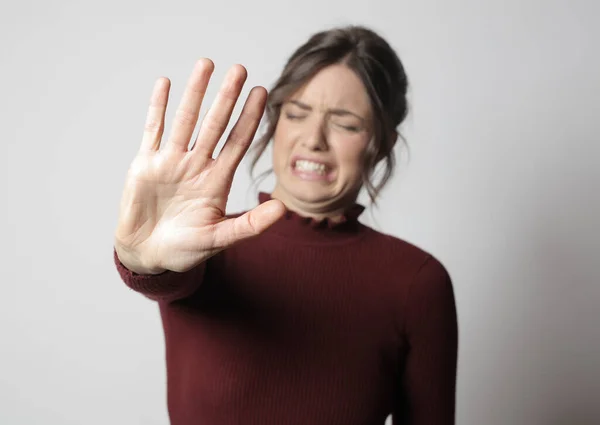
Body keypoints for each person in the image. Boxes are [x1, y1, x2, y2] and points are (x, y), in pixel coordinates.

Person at [113, 25, 458, 425]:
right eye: (296, 114)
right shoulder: (205, 243)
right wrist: (139, 258)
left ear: (382, 144)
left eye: (345, 124)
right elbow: (162, 271)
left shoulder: (417, 282)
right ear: (276, 122)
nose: (313, 139)